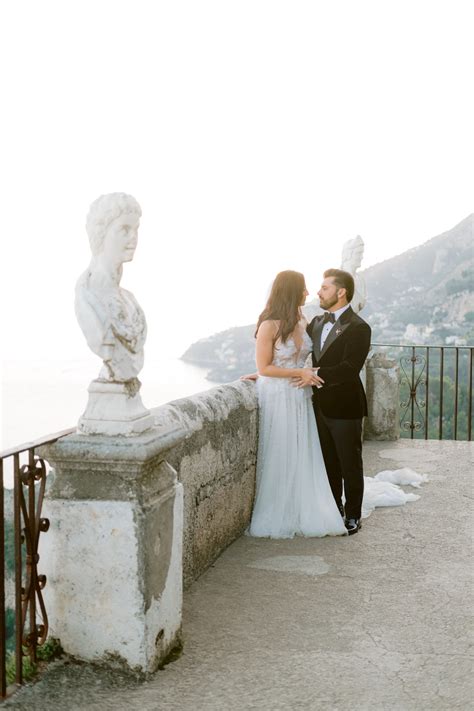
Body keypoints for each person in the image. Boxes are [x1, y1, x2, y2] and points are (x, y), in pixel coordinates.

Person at [246, 270, 347, 538]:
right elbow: (265, 367)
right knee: (282, 448)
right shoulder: (269, 325)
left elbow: (284, 363)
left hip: (299, 394)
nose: (307, 293)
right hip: (278, 396)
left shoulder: (301, 320)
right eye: (302, 289)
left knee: (302, 449)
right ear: (291, 291)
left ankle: (305, 503)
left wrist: (300, 373)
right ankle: (283, 508)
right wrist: (298, 373)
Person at [293, 268, 371, 534]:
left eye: (325, 288)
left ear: (341, 292)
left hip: (346, 405)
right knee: (328, 461)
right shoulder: (316, 322)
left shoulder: (360, 327)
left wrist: (314, 374)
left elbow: (350, 368)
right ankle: (333, 508)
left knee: (350, 462)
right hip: (318, 404)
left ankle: (353, 515)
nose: (318, 292)